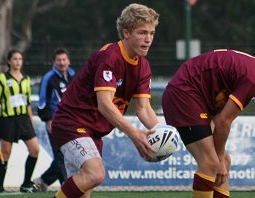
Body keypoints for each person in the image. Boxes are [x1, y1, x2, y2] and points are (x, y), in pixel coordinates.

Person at [50, 3, 160, 198]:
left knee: (82, 192)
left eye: (151, 33)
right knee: (96, 174)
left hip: (94, 132)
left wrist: (165, 134)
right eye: (142, 33)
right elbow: (105, 104)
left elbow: (143, 109)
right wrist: (135, 134)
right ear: (126, 33)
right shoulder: (110, 56)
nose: (149, 39)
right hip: (72, 122)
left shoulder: (144, 66)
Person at [162, 49, 255, 198]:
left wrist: (221, 159)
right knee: (212, 162)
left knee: (224, 160)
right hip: (184, 93)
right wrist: (219, 160)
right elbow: (222, 121)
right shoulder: (253, 80)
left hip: (196, 95)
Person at [0, 49, 40, 193]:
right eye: (15, 59)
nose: (18, 61)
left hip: (24, 119)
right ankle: (0, 185)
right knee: (5, 152)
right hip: (8, 120)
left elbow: (28, 103)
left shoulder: (26, 79)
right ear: (9, 61)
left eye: (20, 59)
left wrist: (31, 122)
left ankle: (26, 183)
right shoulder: (2, 79)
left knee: (35, 149)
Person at [33, 48, 75, 191]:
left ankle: (43, 180)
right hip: (56, 122)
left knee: (68, 155)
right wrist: (48, 120)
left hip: (72, 122)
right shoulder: (49, 78)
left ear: (68, 61)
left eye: (64, 60)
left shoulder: (72, 75)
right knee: (61, 155)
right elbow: (42, 102)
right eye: (59, 60)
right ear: (54, 62)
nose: (62, 63)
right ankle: (66, 186)